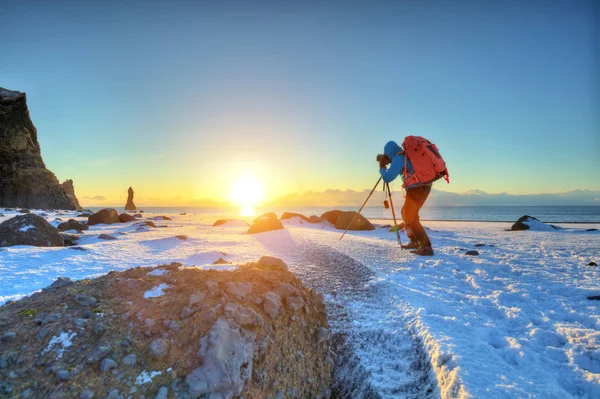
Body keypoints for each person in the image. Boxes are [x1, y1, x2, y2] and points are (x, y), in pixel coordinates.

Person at [379, 140, 433, 256]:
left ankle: (426, 247)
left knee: (409, 217)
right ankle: (414, 241)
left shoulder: (398, 159)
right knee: (407, 213)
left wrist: (382, 167)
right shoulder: (404, 156)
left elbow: (387, 178)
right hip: (424, 187)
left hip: (416, 188)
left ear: (389, 153)